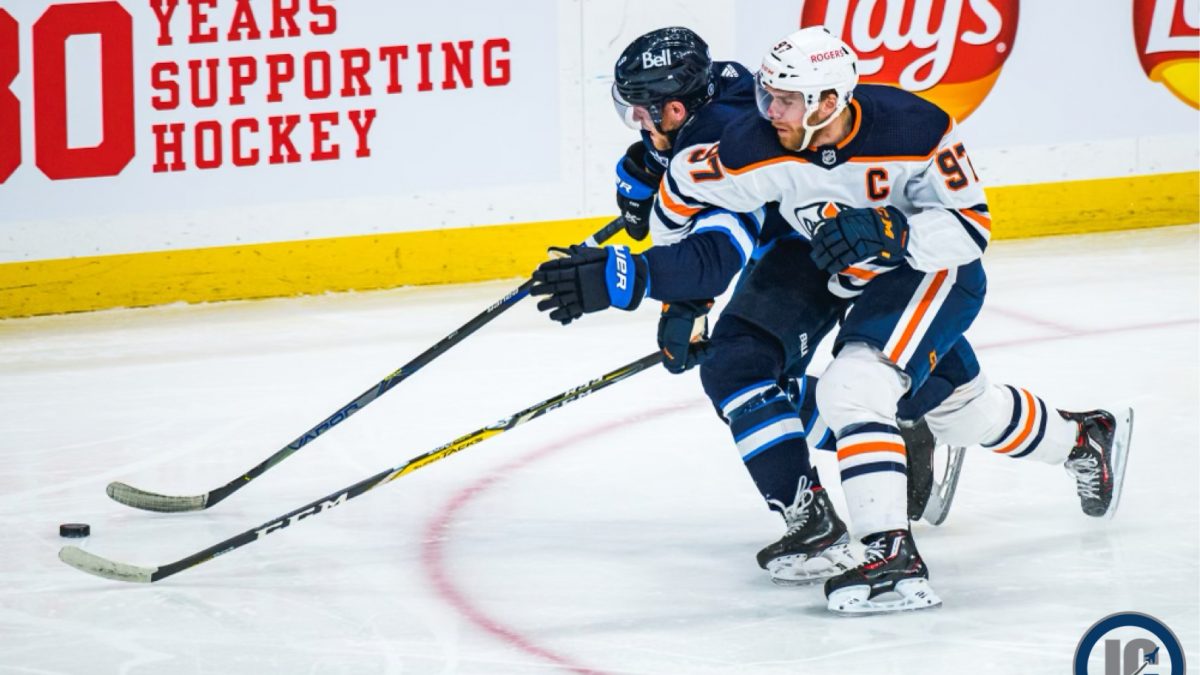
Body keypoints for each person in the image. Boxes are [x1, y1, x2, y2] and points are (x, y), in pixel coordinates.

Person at [536, 26, 1133, 615]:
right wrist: (681, 300)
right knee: (954, 410)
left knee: (861, 387)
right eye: (767, 94)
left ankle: (890, 557)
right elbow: (682, 198)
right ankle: (1082, 440)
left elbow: (970, 230)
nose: (769, 111)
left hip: (925, 270)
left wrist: (895, 231)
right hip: (823, 261)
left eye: (784, 100)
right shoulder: (753, 143)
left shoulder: (915, 127)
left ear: (828, 102)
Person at [531, 27, 965, 587]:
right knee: (743, 369)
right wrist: (656, 180)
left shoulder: (726, 139)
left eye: (642, 112)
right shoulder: (725, 85)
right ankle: (853, 480)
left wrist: (622, 278)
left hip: (849, 252)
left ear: (677, 107)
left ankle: (883, 459)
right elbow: (685, 208)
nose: (638, 123)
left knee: (946, 399)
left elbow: (718, 253)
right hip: (814, 241)